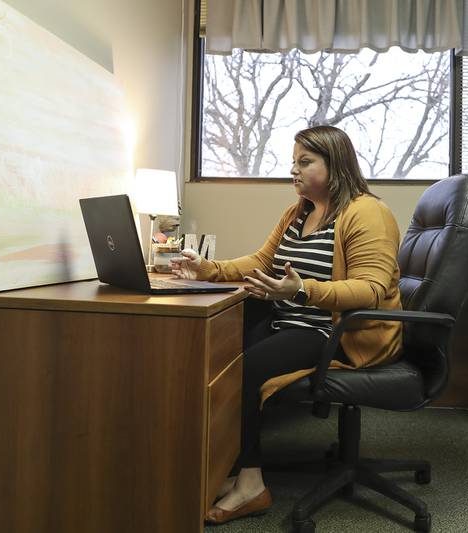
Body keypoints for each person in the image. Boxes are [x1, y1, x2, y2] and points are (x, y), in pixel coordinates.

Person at [170, 125, 403, 525]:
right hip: (292, 318)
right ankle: (225, 466)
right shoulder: (299, 212)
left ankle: (252, 484)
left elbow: (372, 288)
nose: (293, 170)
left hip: (337, 333)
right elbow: (261, 263)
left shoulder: (368, 212)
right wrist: (208, 268)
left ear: (336, 164)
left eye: (304, 162)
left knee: (246, 368)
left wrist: (302, 291)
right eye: (293, 161)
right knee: (218, 351)